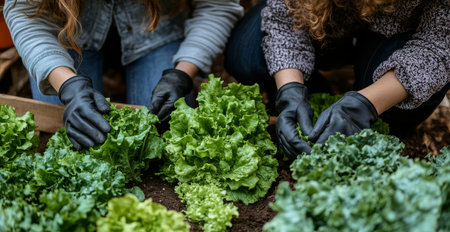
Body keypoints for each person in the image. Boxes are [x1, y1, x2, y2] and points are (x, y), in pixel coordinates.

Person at [3, 0, 243, 149]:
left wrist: (181, 74)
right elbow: (25, 14)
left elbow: (218, 5)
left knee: (164, 129)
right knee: (67, 130)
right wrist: (68, 86)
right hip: (70, 34)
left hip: (156, 32)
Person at [224, 0, 450, 159]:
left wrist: (364, 106)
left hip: (401, 32)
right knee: (248, 57)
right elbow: (285, 17)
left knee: (393, 114)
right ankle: (312, 89)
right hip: (325, 21)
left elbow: (440, 44)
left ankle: (362, 96)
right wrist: (290, 90)